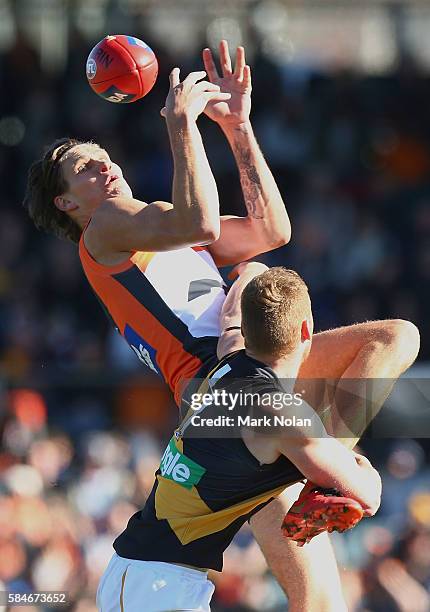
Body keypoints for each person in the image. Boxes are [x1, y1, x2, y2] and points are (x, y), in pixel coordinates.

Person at [24, 41, 420, 611]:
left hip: (257, 368)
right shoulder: (101, 233)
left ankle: (322, 473)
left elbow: (270, 230)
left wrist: (238, 129)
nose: (103, 163)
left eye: (101, 153)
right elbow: (204, 221)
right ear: (66, 203)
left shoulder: (159, 223)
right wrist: (182, 124)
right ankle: (328, 471)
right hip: (220, 389)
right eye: (83, 167)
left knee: (394, 338)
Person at [97, 264, 382, 612]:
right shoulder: (283, 414)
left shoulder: (226, 362)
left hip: (146, 574)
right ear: (307, 330)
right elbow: (369, 498)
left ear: (246, 330)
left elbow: (231, 313)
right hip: (158, 584)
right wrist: (360, 464)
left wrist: (254, 270)